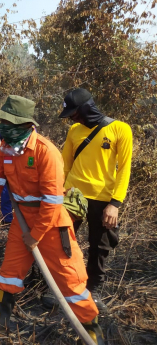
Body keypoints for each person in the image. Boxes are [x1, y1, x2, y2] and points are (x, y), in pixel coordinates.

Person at [0, 95, 104, 343]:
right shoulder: (5, 149)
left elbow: (53, 203)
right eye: (2, 122)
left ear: (25, 125)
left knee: (70, 278)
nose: (3, 128)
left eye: (9, 124)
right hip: (21, 221)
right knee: (9, 272)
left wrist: (35, 236)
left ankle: (90, 327)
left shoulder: (46, 152)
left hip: (52, 224)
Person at [58, 88, 133, 312]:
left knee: (99, 247)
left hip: (103, 199)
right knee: (61, 241)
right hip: (72, 196)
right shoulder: (74, 131)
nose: (72, 118)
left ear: (86, 108)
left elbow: (124, 170)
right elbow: (65, 164)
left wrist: (115, 204)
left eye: (74, 113)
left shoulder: (120, 129)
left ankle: (93, 289)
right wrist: (59, 193)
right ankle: (62, 285)